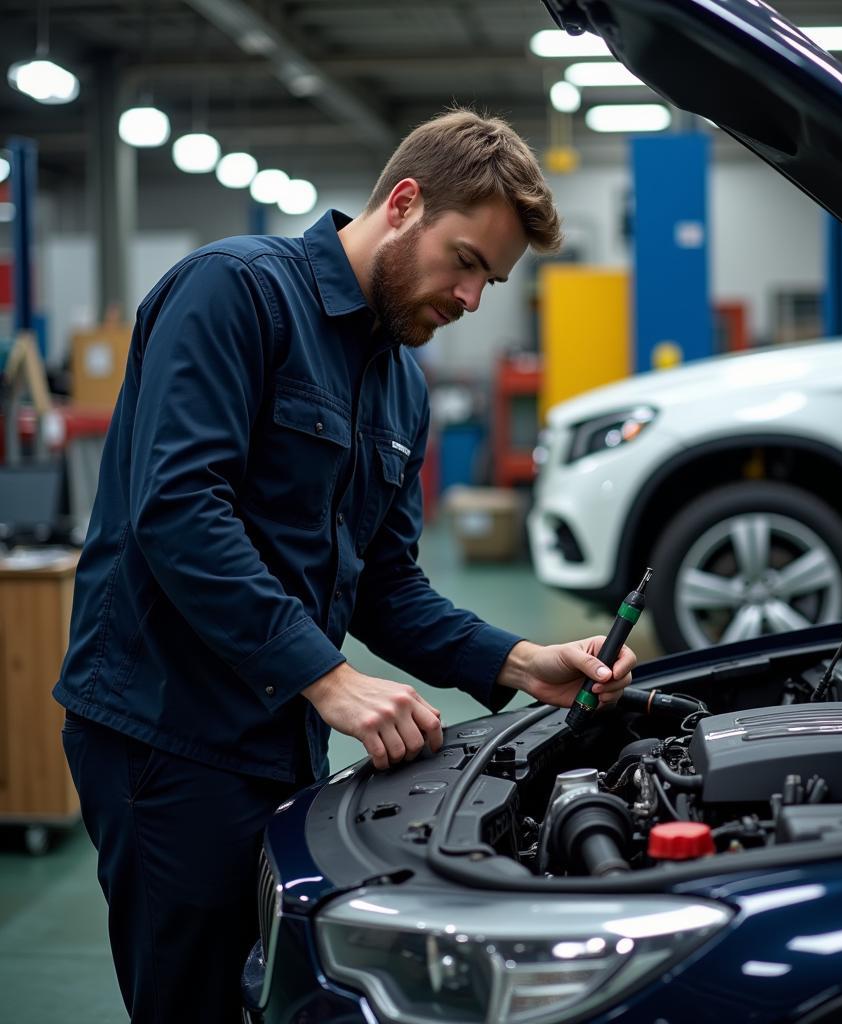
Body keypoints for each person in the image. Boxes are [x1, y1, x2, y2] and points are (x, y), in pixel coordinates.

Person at [53, 109, 636, 1024]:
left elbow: (384, 584)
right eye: (468, 263)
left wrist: (519, 660)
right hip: (165, 731)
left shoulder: (399, 379)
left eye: (494, 279)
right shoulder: (235, 294)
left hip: (280, 737)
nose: (473, 300)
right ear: (403, 204)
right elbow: (176, 512)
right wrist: (327, 676)